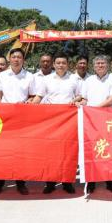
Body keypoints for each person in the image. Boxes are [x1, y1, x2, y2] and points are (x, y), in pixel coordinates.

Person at [0, 48, 39, 196]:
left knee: (20, 152)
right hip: (4, 119)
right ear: (9, 59)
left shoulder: (30, 76)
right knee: (2, 152)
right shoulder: (2, 76)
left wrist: (29, 103)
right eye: (14, 57)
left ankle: (20, 183)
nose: (16, 59)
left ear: (23, 60)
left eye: (19, 57)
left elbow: (32, 96)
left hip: (22, 120)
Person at [34, 52, 83, 194]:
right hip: (51, 120)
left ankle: (67, 182)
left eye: (64, 63)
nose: (61, 65)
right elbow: (39, 96)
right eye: (58, 63)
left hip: (68, 120)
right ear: (54, 64)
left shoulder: (75, 79)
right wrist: (28, 107)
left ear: (68, 64)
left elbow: (80, 95)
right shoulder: (46, 79)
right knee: (50, 153)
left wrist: (75, 100)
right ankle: (50, 182)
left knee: (68, 152)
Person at [80, 55, 112, 193]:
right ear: (93, 66)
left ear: (107, 65)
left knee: (110, 151)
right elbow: (85, 99)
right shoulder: (89, 80)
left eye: (103, 63)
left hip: (109, 121)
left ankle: (111, 182)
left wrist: (94, 109)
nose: (100, 65)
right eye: (97, 63)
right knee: (92, 151)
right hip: (91, 121)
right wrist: (80, 104)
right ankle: (92, 181)